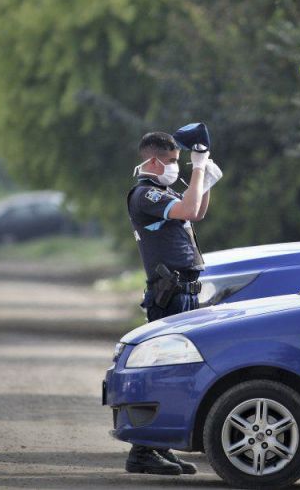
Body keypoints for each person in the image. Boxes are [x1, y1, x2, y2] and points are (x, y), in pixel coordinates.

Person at [124, 130, 219, 475]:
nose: (176, 167)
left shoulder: (162, 191)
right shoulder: (145, 194)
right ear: (152, 160)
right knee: (165, 373)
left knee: (181, 373)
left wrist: (203, 176)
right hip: (169, 294)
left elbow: (197, 210)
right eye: (173, 161)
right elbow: (190, 210)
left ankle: (159, 445)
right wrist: (197, 170)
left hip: (185, 292)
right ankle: (143, 451)